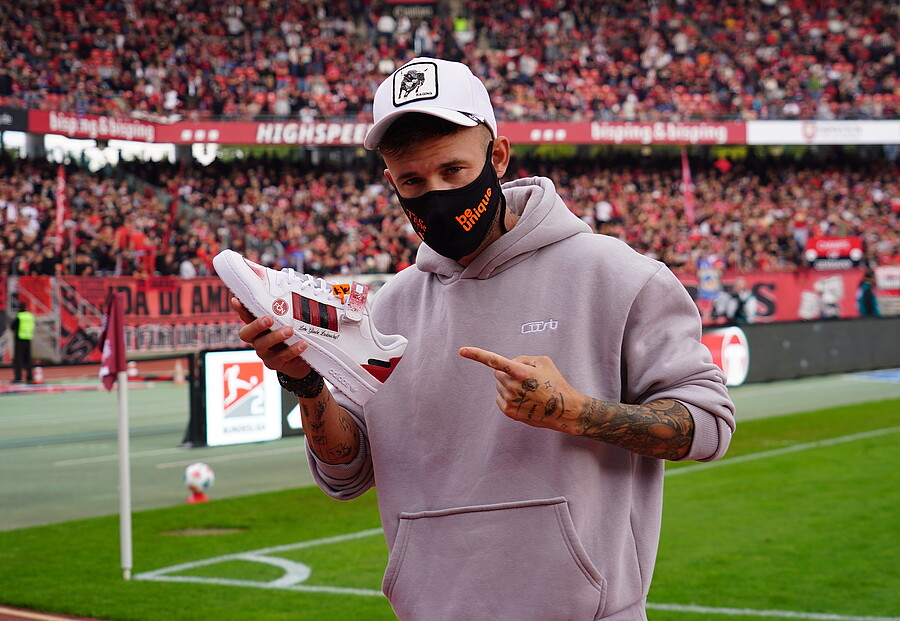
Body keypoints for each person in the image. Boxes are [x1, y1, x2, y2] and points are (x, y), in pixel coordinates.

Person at [232, 57, 735, 620]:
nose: (436, 195)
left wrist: (576, 413)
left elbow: (707, 427)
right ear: (391, 183)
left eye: (453, 170)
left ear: (497, 156)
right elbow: (345, 475)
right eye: (413, 182)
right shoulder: (387, 308)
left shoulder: (617, 275)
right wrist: (305, 382)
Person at [11, 297, 35, 383]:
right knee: (28, 359)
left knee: (18, 359)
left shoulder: (20, 316)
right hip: (28, 339)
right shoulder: (30, 316)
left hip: (20, 339)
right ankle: (30, 377)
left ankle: (18, 377)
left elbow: (13, 327)